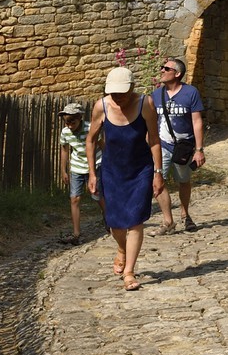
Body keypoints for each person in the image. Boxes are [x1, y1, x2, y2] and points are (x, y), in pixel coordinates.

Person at [85, 65, 163, 291]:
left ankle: (129, 271)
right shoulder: (102, 106)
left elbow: (155, 140)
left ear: (132, 88)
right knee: (114, 221)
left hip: (140, 170)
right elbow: (91, 140)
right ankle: (121, 247)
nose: (117, 97)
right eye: (114, 93)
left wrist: (158, 173)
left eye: (122, 93)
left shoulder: (145, 104)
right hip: (112, 170)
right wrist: (92, 172)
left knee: (135, 220)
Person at [152, 56, 205, 233]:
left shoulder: (190, 93)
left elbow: (197, 122)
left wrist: (199, 150)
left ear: (178, 73)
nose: (162, 70)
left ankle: (185, 214)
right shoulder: (156, 95)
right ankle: (168, 221)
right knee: (158, 182)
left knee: (183, 181)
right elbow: (151, 122)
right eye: (162, 68)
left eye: (166, 69)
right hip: (162, 145)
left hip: (184, 146)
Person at [57, 101, 101, 245]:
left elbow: (103, 146)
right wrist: (63, 170)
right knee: (74, 198)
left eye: (72, 122)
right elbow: (64, 150)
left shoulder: (90, 128)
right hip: (77, 167)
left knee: (97, 196)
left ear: (80, 118)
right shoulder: (65, 132)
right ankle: (76, 233)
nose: (69, 125)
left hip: (95, 165)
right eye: (66, 122)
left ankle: (110, 222)